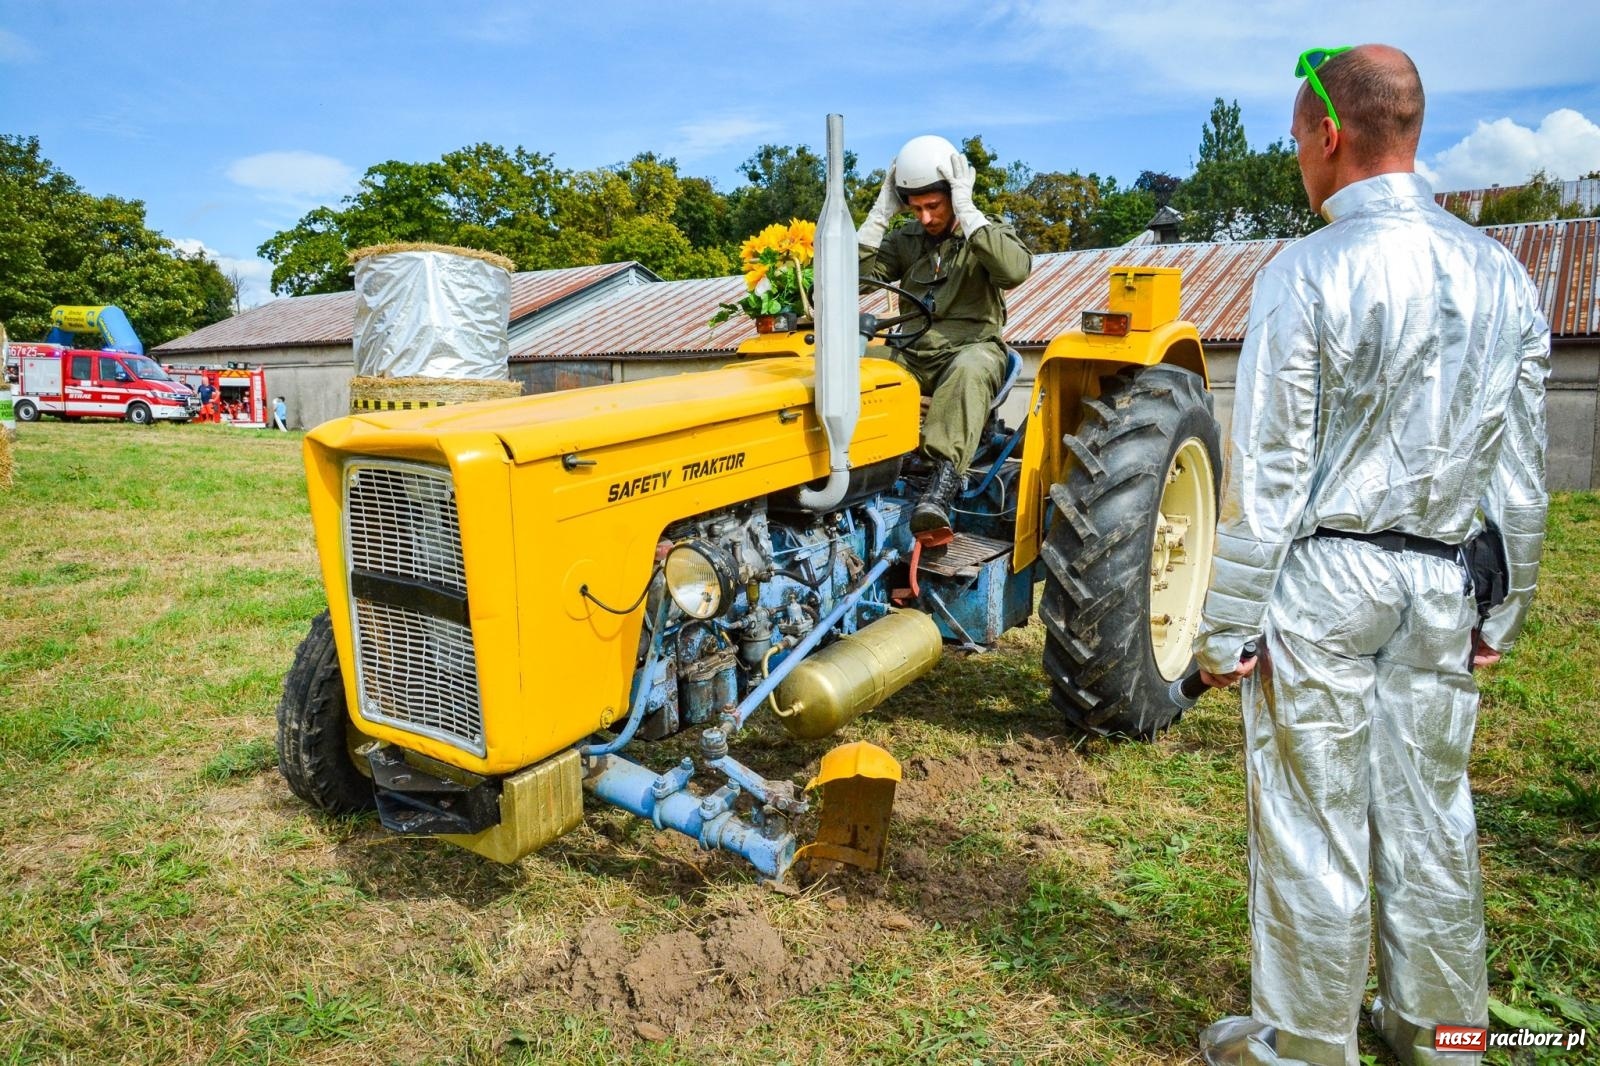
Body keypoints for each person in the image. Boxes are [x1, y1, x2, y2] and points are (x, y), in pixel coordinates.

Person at [1193, 45, 1549, 1066]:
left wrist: (1226, 625)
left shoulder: (1304, 272)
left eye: (1295, 136)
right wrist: (1503, 605)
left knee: (1312, 819)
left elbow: (1266, 474)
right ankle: (1440, 1040)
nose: (1295, 156)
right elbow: (1518, 475)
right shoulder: (1500, 275)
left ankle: (1305, 1043)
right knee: (1432, 815)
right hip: (1443, 580)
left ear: (1328, 134)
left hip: (1328, 580)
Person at [858, 134, 1032, 534]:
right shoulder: (907, 241)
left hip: (972, 349)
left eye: (933, 206)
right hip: (912, 352)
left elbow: (1015, 270)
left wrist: (968, 211)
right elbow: (855, 280)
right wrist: (880, 214)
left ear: (953, 195)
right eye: (914, 207)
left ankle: (941, 485)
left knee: (969, 370)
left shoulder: (987, 234)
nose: (924, 218)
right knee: (857, 367)